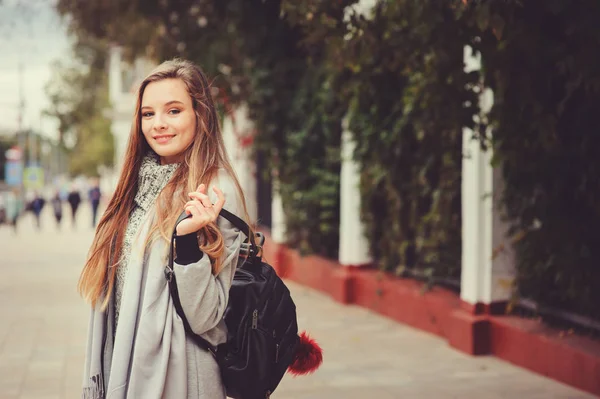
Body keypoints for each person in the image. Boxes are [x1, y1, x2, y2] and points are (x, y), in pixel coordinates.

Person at [79, 59, 252, 399]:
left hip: (179, 378)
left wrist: (186, 241)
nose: (158, 124)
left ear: (199, 115)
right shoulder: (133, 186)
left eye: (173, 111)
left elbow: (207, 316)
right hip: (125, 361)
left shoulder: (215, 191)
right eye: (148, 114)